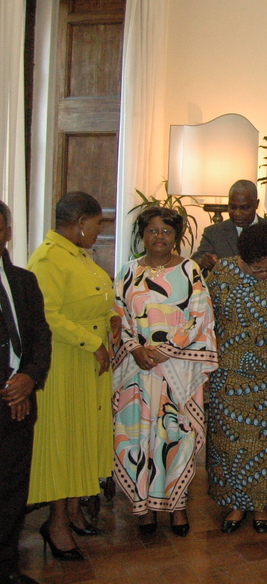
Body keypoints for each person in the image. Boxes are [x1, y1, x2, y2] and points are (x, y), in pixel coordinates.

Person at [112, 207, 218, 537]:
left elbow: (200, 316)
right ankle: (143, 509)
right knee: (139, 439)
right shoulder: (127, 273)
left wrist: (164, 350)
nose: (159, 237)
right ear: (142, 235)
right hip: (137, 371)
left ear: (177, 236)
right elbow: (118, 318)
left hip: (178, 370)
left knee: (176, 437)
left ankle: (178, 506)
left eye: (166, 231)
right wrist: (136, 349)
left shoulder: (190, 271)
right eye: (152, 230)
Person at [26, 192, 115, 561]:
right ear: (79, 223)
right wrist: (92, 341)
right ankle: (56, 522)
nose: (98, 232)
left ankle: (74, 510)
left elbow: (96, 296)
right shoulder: (48, 258)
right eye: (96, 225)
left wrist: (114, 317)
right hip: (65, 362)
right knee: (65, 440)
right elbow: (46, 314)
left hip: (85, 364)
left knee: (82, 437)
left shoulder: (77, 254)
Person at [206, 223, 267, 534]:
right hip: (226, 373)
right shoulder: (221, 273)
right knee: (228, 443)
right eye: (256, 267)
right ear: (243, 258)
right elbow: (206, 322)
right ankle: (235, 504)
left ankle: (260, 503)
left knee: (262, 443)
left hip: (266, 375)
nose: (263, 273)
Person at [0, 200, 51, 584]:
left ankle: (7, 568)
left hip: (21, 401)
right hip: (6, 396)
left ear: (8, 234)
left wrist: (29, 378)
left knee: (13, 489)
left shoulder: (23, 280)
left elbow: (40, 337)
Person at [192, 179, 267, 272]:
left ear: (256, 204)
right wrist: (203, 261)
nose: (237, 213)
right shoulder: (214, 232)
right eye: (232, 207)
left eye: (244, 208)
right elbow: (195, 260)